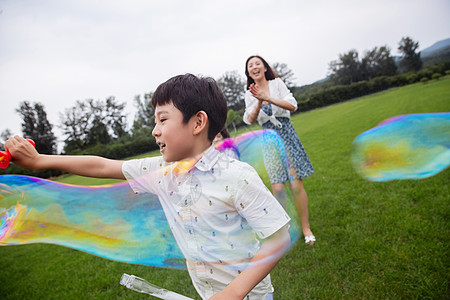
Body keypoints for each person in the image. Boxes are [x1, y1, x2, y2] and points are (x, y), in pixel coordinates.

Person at [6, 74, 291, 300]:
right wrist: (40, 160)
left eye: (163, 119)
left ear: (198, 122)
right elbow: (103, 166)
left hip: (249, 295)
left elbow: (278, 238)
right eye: (155, 121)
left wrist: (233, 293)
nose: (154, 130)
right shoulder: (160, 172)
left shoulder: (237, 176)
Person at [243, 55, 316, 245]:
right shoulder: (249, 94)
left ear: (264, 67)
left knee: (295, 184)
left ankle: (306, 227)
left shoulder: (276, 84)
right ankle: (285, 230)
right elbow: (250, 119)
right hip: (269, 139)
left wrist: (267, 97)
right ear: (249, 72)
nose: (254, 67)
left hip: (286, 134)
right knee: (277, 187)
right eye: (250, 65)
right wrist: (259, 100)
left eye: (257, 63)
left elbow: (292, 105)